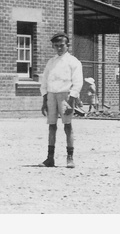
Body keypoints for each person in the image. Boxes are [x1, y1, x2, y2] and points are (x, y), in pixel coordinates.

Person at [39, 32, 84, 168]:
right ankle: (50, 158)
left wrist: (72, 100)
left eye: (62, 45)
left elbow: (77, 82)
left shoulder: (73, 62)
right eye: (56, 46)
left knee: (67, 126)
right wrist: (44, 100)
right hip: (51, 95)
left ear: (67, 45)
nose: (59, 48)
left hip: (66, 96)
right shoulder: (51, 62)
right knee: (52, 126)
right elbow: (45, 81)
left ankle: (70, 158)